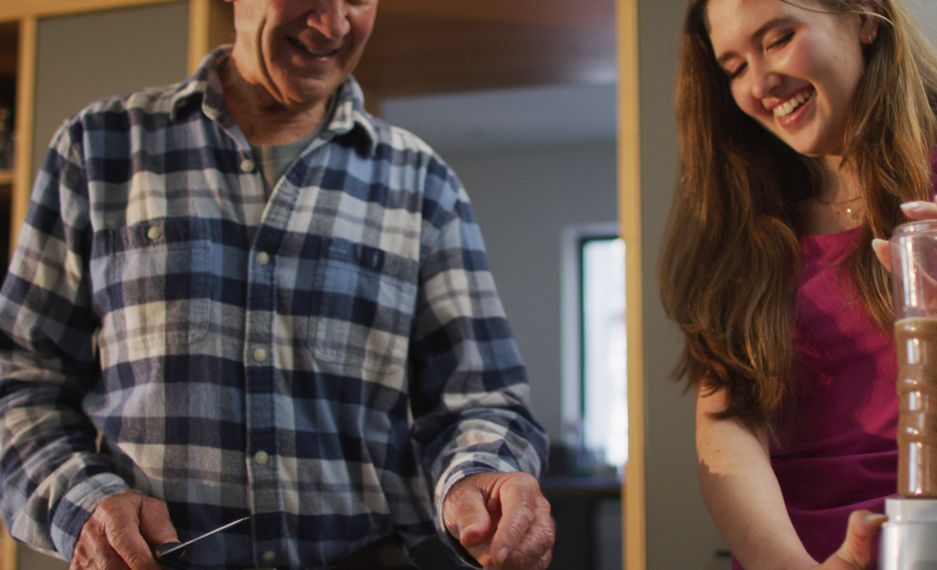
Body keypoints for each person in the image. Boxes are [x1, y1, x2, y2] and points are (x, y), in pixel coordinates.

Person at [0, 1, 555, 568]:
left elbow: (479, 397)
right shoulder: (98, 149)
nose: (332, 25)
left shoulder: (422, 183)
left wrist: (481, 475)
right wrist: (84, 505)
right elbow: (20, 380)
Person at [661, 0, 937, 568]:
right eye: (733, 67)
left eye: (778, 38)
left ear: (864, 16)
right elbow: (728, 436)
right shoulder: (748, 227)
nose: (759, 83)